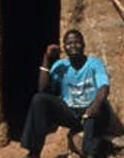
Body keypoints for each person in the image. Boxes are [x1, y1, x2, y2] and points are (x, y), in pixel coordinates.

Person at [21, 29, 110, 158]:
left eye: (77, 42)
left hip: (92, 112)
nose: (73, 46)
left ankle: (91, 152)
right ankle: (33, 153)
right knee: (39, 99)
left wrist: (96, 105)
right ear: (64, 48)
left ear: (84, 45)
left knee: (102, 105)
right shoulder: (61, 65)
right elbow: (43, 89)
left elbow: (104, 87)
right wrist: (46, 59)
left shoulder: (95, 63)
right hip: (71, 113)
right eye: (69, 44)